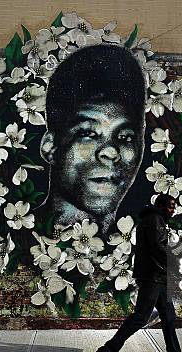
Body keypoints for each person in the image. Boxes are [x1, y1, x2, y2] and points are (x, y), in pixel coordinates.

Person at [36, 44, 146, 235]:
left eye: (125, 137)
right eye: (88, 134)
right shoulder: (13, 239)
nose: (111, 152)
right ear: (50, 147)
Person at [95, 194, 182, 352]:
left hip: (158, 276)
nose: (173, 210)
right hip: (153, 277)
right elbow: (158, 248)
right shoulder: (154, 220)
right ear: (160, 205)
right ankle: (107, 351)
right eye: (170, 206)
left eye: (174, 207)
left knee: (169, 317)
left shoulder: (153, 219)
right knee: (140, 317)